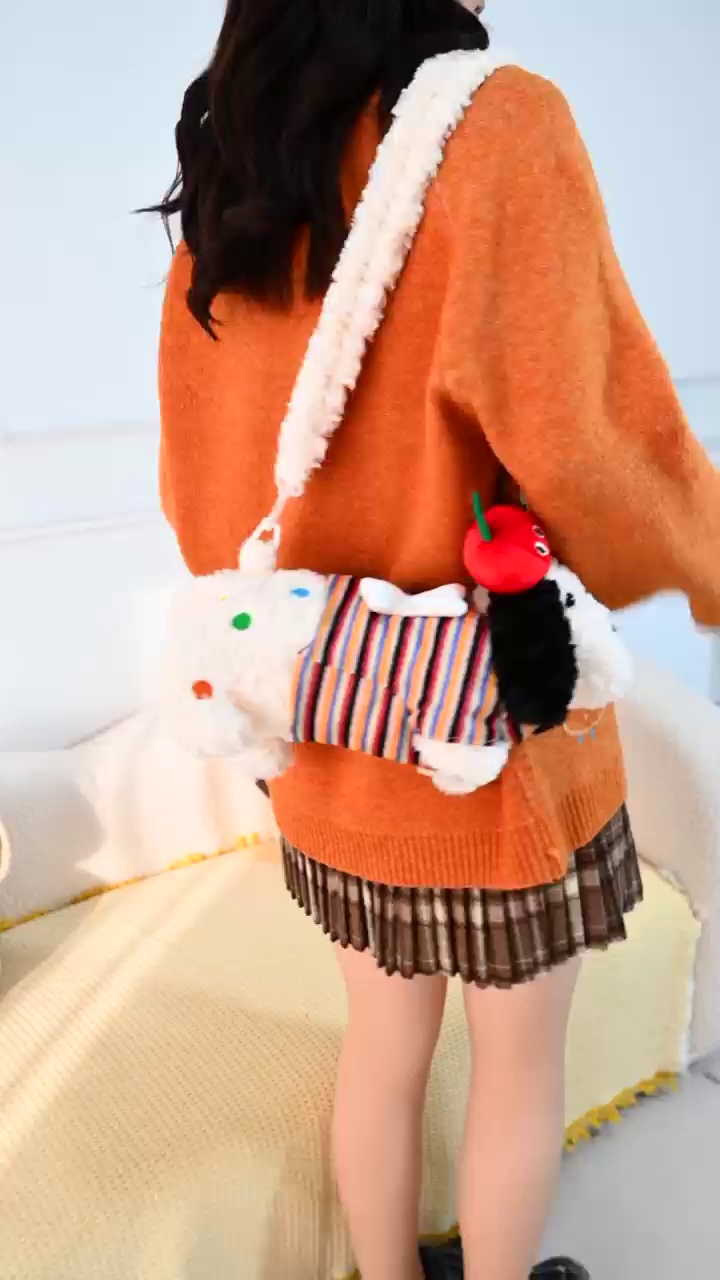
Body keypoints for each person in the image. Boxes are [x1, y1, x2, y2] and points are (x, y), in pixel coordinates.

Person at [154, 2, 720, 1278]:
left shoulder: (243, 155)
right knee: (519, 1065)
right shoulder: (498, 121)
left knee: (382, 1045)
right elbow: (588, 445)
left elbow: (201, 502)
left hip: (327, 732)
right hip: (494, 740)